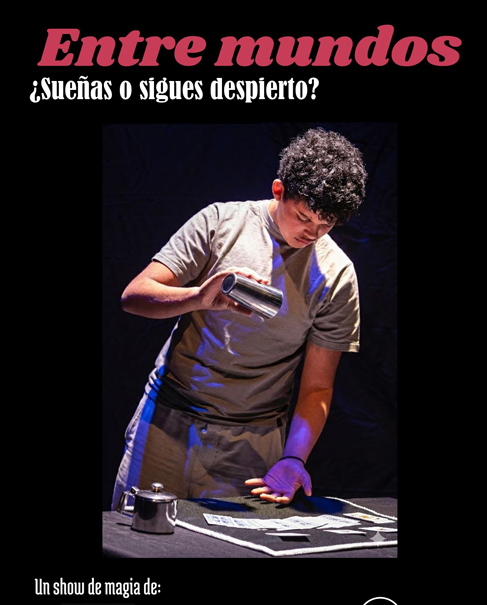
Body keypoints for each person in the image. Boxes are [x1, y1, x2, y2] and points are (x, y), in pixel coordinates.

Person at [111, 127, 367, 508]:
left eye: (325, 225)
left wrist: (294, 458)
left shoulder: (337, 275)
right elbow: (135, 297)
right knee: (135, 532)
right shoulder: (221, 223)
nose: (311, 233)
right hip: (168, 420)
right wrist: (198, 297)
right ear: (279, 190)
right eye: (303, 217)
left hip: (252, 443)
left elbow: (317, 387)